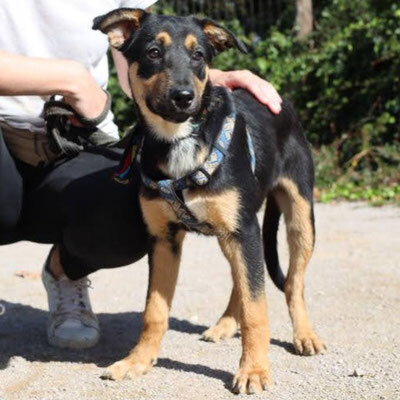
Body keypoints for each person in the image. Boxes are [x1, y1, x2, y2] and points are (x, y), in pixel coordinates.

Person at [0, 0, 282, 349]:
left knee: (136, 213)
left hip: (75, 139)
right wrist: (72, 78)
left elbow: (140, 60)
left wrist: (205, 80)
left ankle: (63, 271)